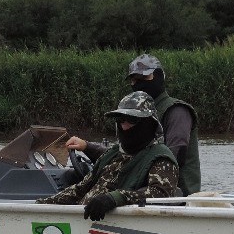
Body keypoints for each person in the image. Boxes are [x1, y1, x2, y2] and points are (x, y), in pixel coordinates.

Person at [65, 53, 201, 194]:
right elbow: (125, 156)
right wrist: (87, 147)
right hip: (135, 192)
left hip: (173, 196)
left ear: (159, 76)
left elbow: (174, 155)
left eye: (144, 78)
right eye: (134, 80)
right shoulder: (133, 113)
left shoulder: (176, 111)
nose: (139, 84)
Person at [39, 91, 180, 220]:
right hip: (81, 221)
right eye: (120, 120)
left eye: (132, 120)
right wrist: (41, 205)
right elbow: (80, 188)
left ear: (149, 123)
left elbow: (160, 195)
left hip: (116, 230)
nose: (124, 126)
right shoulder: (113, 154)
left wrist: (114, 198)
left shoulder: (160, 158)